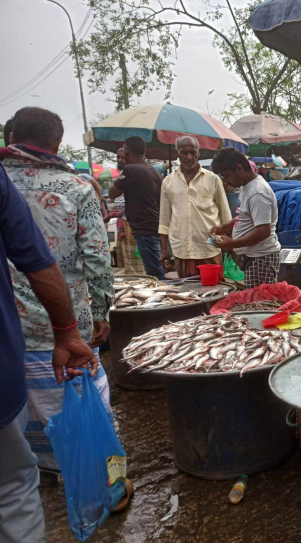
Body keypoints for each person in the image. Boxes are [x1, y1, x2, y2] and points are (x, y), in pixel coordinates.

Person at [1, 107, 114, 481]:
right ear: (57, 143)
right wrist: (102, 313)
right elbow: (98, 259)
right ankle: (93, 474)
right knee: (81, 399)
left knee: (22, 415)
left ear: (10, 136)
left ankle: (44, 472)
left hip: (11, 327)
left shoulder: (5, 184)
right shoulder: (78, 189)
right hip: (69, 328)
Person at [0, 160, 99, 543]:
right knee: (10, 489)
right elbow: (42, 261)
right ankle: (79, 474)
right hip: (17, 349)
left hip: (22, 331)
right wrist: (70, 330)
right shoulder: (74, 185)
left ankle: (50, 469)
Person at [159, 136, 232, 278]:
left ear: (199, 153)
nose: (189, 157)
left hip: (210, 247)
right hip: (181, 249)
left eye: (193, 152)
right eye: (183, 153)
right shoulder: (168, 182)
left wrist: (230, 243)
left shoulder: (212, 179)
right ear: (177, 154)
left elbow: (225, 214)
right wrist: (163, 250)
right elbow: (164, 219)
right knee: (189, 295)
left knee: (214, 293)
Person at [210, 148, 282, 289]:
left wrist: (232, 243)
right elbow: (244, 216)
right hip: (253, 258)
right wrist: (224, 227)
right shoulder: (246, 187)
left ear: (239, 168)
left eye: (226, 176)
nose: (225, 181)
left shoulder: (258, 192)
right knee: (253, 300)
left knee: (261, 304)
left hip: (261, 258)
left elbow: (263, 230)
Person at [109, 136, 165, 279]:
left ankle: (170, 298)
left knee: (154, 273)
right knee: (156, 268)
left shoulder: (130, 170)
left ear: (126, 152)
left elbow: (112, 193)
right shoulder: (153, 170)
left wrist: (121, 169)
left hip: (145, 228)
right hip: (155, 226)